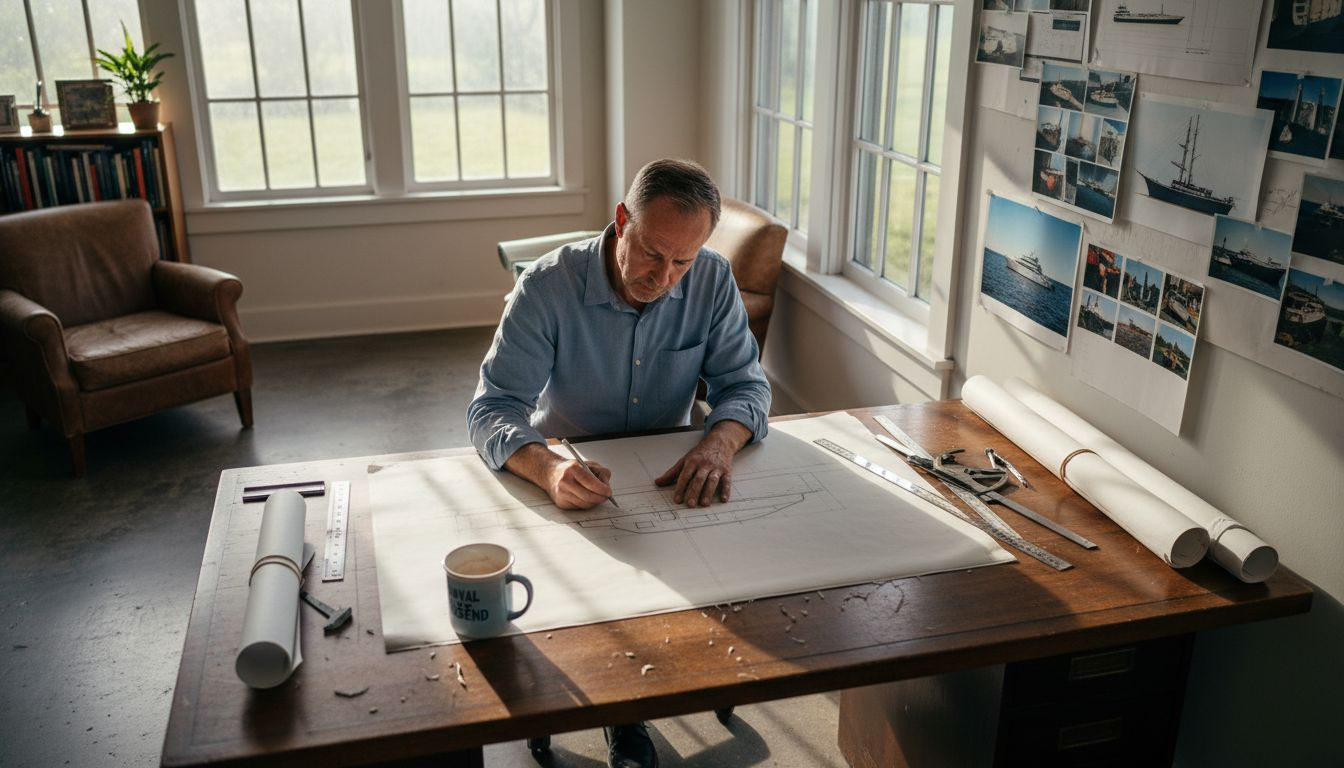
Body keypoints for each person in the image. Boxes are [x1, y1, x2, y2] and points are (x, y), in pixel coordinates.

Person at [467, 158, 771, 767]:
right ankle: (621, 718)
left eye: (682, 260)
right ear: (622, 219)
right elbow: (493, 409)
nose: (664, 277)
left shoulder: (710, 280)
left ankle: (658, 695)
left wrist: (718, 441)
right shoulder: (548, 285)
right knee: (595, 605)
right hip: (569, 469)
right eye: (653, 253)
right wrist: (547, 467)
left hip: (667, 471)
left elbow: (746, 386)